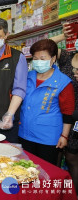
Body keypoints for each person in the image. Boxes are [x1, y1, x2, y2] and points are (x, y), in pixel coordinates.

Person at [18, 39, 75, 166]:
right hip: (24, 133)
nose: (38, 62)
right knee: (24, 170)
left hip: (48, 138)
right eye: (35, 58)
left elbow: (68, 112)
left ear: (53, 58)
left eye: (43, 58)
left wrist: (64, 136)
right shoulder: (27, 76)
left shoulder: (62, 81)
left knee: (46, 172)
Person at [51, 23, 78, 195]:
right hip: (62, 116)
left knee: (73, 158)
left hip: (76, 119)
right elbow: (43, 46)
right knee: (59, 154)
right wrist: (63, 36)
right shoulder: (68, 57)